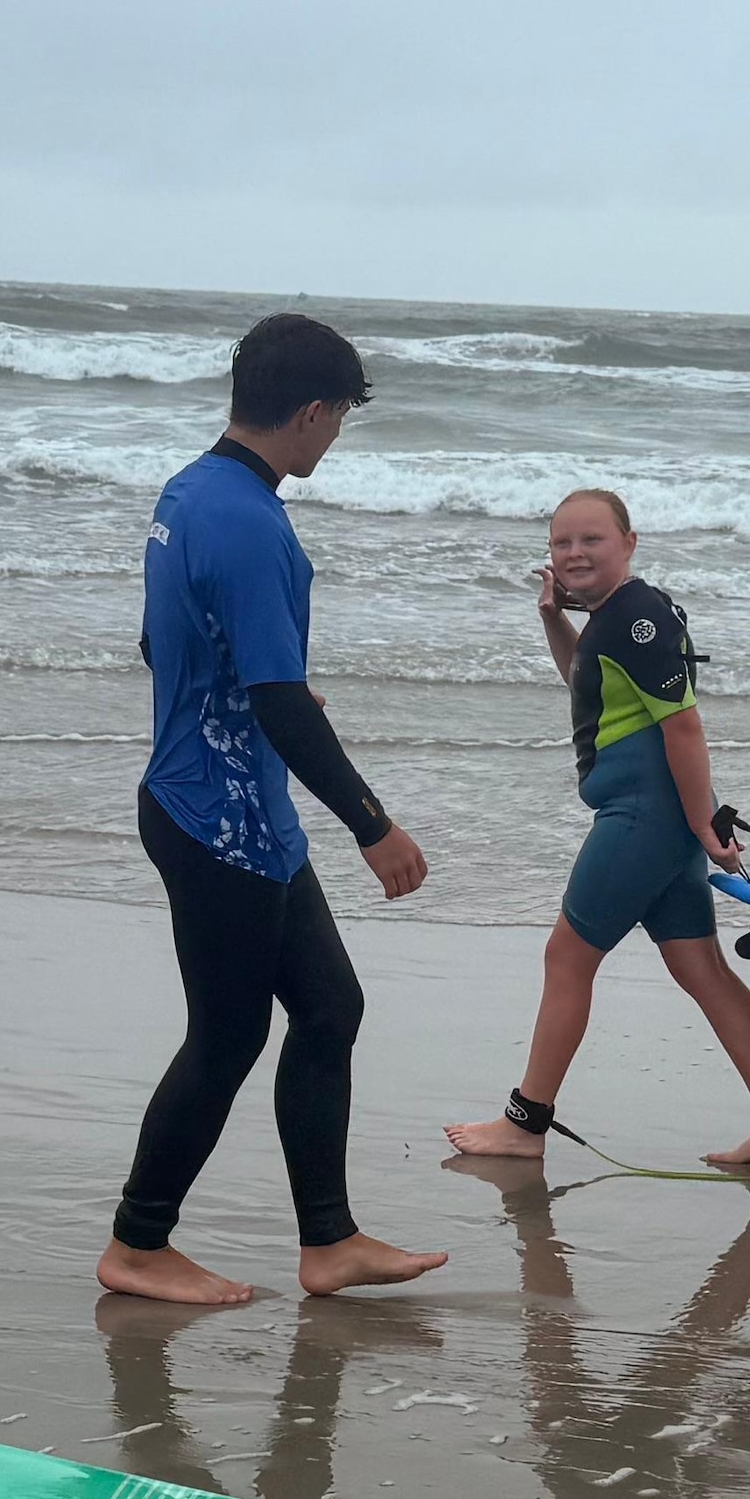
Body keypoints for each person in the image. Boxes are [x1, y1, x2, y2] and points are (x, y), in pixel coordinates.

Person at [98, 314, 449, 1309]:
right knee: (226, 1036)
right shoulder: (251, 523)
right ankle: (137, 1243)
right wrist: (373, 823)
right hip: (219, 823)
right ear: (309, 413)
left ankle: (329, 1241)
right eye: (335, 421)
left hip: (229, 805)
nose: (333, 439)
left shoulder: (188, 494)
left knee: (329, 1009)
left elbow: (160, 645)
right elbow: (284, 704)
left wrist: (250, 690)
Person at [444, 488, 750, 1173]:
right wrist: (554, 619)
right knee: (699, 966)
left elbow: (684, 726)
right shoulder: (616, 618)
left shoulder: (637, 618)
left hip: (642, 817)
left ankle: (526, 1122)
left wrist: (704, 826)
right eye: (562, 543)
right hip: (659, 821)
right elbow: (586, 681)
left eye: (592, 540)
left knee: (567, 958)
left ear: (629, 542)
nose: (575, 553)